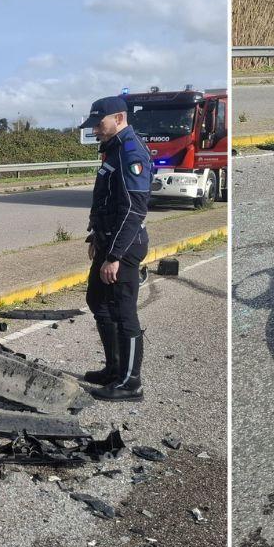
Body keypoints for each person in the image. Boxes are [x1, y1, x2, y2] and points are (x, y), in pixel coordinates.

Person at [77, 95, 153, 401]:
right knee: (98, 301)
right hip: (108, 242)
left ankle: (131, 383)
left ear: (119, 119)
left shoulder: (130, 152)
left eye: (99, 123)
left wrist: (115, 256)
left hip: (125, 247)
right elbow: (107, 202)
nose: (95, 130)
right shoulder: (114, 149)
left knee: (124, 313)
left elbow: (134, 210)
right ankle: (114, 367)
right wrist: (97, 237)